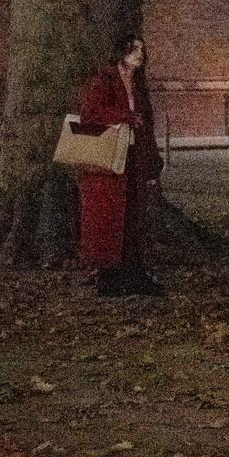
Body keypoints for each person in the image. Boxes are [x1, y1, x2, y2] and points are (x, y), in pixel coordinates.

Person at [76, 34, 166, 297]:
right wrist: (124, 116)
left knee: (134, 216)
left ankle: (133, 273)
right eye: (134, 49)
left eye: (142, 49)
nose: (140, 53)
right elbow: (90, 113)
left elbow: (145, 122)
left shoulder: (137, 83)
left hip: (135, 157)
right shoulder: (106, 79)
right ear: (121, 53)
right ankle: (110, 276)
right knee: (111, 217)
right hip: (111, 157)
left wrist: (152, 159)